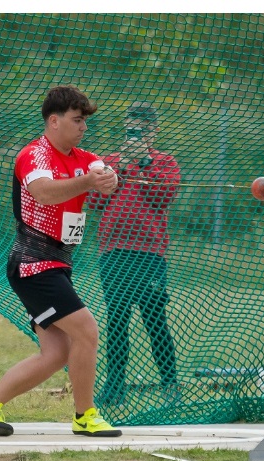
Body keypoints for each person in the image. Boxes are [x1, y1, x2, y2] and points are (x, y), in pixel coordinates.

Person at [0, 85, 122, 438]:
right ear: (54, 121)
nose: (83, 127)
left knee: (55, 354)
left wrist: (109, 178)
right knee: (87, 331)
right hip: (34, 265)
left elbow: (105, 179)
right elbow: (43, 193)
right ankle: (85, 416)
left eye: (84, 121)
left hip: (57, 264)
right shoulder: (33, 155)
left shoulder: (86, 158)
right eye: (77, 120)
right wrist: (89, 181)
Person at [88, 102, 180, 406]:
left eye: (141, 131)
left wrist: (143, 162)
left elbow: (163, 196)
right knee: (117, 320)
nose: (135, 135)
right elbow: (95, 202)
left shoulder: (165, 162)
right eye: (130, 130)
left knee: (155, 320)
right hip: (113, 253)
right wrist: (121, 167)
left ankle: (170, 385)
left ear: (154, 132)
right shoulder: (109, 162)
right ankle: (115, 387)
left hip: (150, 254)